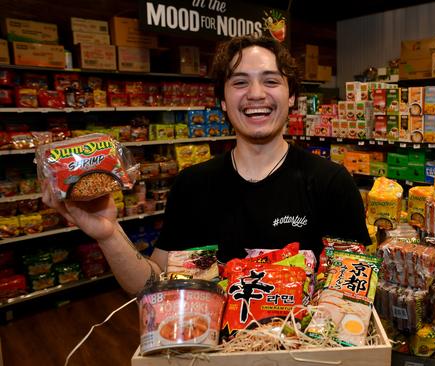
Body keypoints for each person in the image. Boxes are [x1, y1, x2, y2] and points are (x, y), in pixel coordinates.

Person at [42, 35, 370, 295]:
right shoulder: (192, 185)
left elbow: (352, 290)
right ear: (223, 101)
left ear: (292, 96)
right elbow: (153, 284)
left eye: (271, 81)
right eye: (240, 82)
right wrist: (109, 234)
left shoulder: (331, 183)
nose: (256, 94)